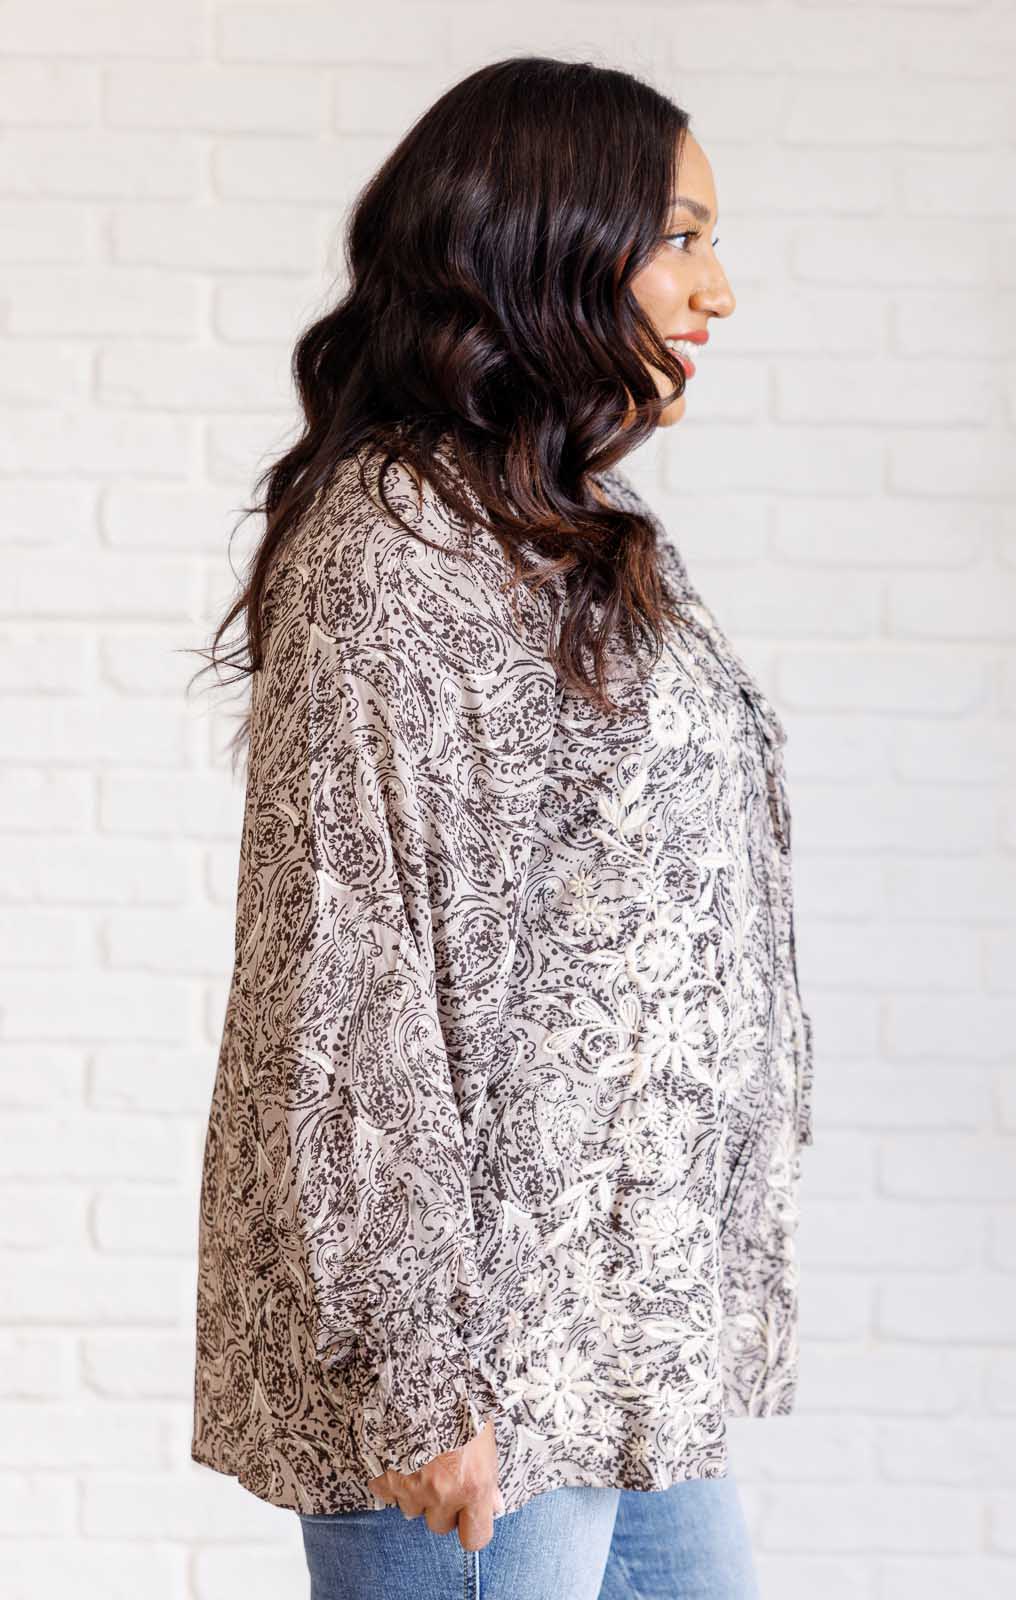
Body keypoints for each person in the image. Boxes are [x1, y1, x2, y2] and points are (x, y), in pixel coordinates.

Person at [187, 54, 814, 1600]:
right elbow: (346, 973)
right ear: (544, 243)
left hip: (614, 1330)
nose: (716, 290)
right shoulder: (394, 554)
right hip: (483, 1363)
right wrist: (415, 1373)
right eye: (680, 238)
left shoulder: (549, 534)